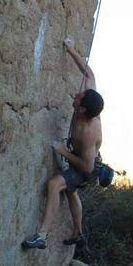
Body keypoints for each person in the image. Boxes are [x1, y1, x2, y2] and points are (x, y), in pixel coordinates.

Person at [22, 38, 104, 250]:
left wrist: (62, 151)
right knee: (71, 190)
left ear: (83, 110)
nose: (76, 95)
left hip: (86, 166)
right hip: (83, 159)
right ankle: (78, 232)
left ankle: (41, 236)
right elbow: (89, 74)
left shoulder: (87, 132)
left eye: (79, 98)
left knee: (55, 184)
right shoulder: (89, 102)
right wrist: (71, 49)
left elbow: (86, 167)